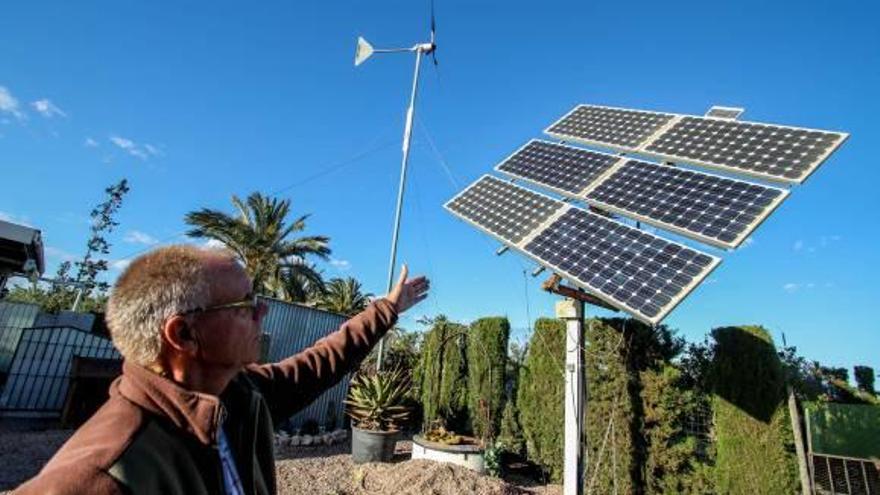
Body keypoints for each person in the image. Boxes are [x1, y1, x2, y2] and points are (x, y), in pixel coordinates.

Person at [14, 245, 429, 495]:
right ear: (183, 334)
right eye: (244, 303)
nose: (261, 310)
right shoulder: (105, 472)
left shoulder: (237, 396)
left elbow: (320, 363)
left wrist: (388, 309)